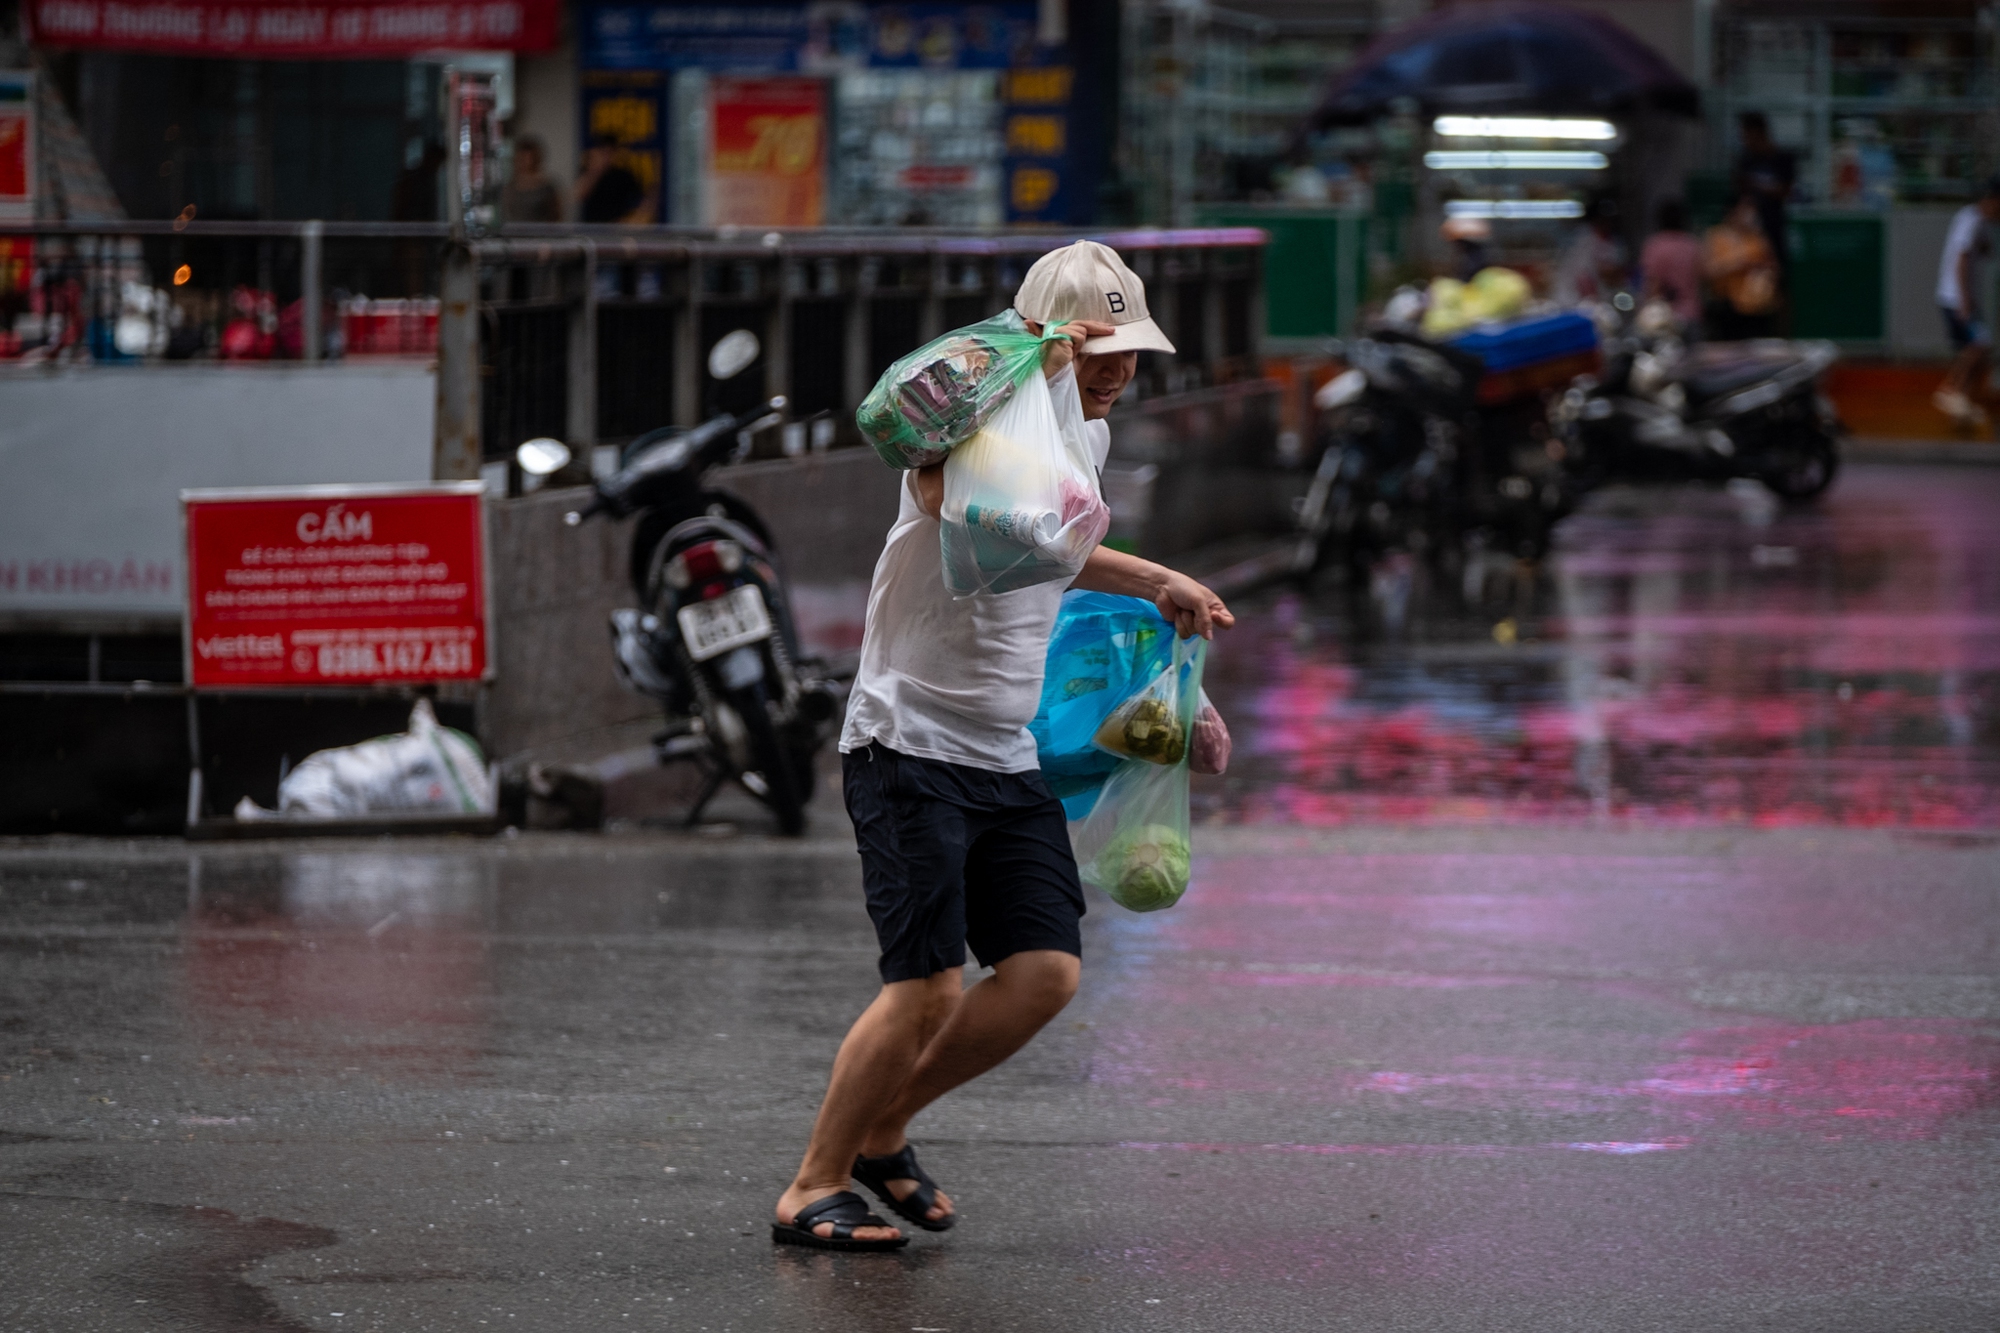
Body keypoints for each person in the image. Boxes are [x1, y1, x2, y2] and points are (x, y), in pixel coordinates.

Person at [771, 240, 1236, 1251]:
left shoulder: (1089, 442)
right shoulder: (971, 418)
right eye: (1098, 349)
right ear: (1044, 343)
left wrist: (1168, 665)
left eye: (1131, 353)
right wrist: (1027, 370)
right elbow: (959, 511)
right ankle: (813, 1183)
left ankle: (884, 1125)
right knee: (927, 981)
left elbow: (1057, 569)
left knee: (1042, 972)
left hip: (1000, 748)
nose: (1117, 369)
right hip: (909, 738)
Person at [1933, 176, 2000, 429]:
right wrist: (1964, 301)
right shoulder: (1971, 221)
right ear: (1992, 201)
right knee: (1980, 345)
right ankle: (1949, 389)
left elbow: (1983, 250)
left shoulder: (1976, 220)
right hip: (1955, 297)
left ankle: (1960, 408)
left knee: (1977, 354)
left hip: (1959, 297)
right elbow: (1961, 259)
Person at [1703, 196, 1780, 341]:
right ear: (1732, 213)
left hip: (1757, 308)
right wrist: (1737, 264)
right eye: (1745, 210)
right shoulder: (1716, 236)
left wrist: (1764, 271)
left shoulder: (1758, 238)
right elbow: (1707, 271)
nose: (1750, 215)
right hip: (1727, 308)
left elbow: (1774, 267)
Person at [1733, 112, 1796, 289]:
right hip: (1750, 231)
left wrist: (1758, 186)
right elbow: (1741, 193)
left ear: (1759, 132)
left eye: (1746, 134)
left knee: (1779, 279)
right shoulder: (1745, 161)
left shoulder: (1782, 158)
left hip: (1774, 226)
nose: (1744, 139)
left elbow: (1785, 190)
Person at [1639, 198, 1702, 328]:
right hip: (1691, 312)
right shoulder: (1691, 244)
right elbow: (1701, 279)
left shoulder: (1655, 245)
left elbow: (1653, 284)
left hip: (1664, 318)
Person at [1553, 196, 1626, 305]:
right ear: (1596, 220)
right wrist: (1593, 303)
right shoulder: (1585, 239)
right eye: (1603, 220)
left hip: (1602, 299)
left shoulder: (1613, 241)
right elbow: (1583, 277)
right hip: (1575, 301)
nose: (1608, 223)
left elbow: (1616, 273)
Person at [576, 134, 654, 225]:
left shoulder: (623, 175)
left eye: (610, 152)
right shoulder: (589, 172)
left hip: (615, 229)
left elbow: (638, 202)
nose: (607, 156)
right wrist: (596, 170)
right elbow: (579, 195)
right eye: (603, 152)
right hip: (592, 228)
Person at [502, 135, 563, 224]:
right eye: (521, 158)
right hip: (515, 234)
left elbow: (557, 216)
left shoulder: (547, 186)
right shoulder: (509, 187)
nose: (525, 162)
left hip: (542, 234)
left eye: (528, 158)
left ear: (536, 158)